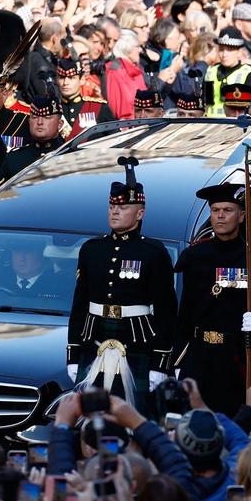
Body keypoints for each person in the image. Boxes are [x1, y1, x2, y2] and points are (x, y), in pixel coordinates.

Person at [68, 157, 178, 407]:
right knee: (89, 417)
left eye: (123, 207)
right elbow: (80, 303)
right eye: (111, 206)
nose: (115, 211)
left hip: (137, 339)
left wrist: (160, 363)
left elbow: (166, 310)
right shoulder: (92, 249)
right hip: (94, 336)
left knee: (134, 415)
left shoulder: (153, 252)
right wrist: (73, 354)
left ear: (140, 212)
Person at [173, 183, 251, 415]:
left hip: (236, 359)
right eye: (216, 211)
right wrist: (177, 360)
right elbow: (185, 313)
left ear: (242, 216)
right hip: (199, 358)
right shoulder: (194, 256)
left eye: (228, 210)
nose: (221, 216)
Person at [0, 96, 66, 182]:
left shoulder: (70, 155)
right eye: (35, 117)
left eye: (47, 117)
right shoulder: (14, 158)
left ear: (60, 124)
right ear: (29, 121)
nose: (39, 122)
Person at [203, 28, 251, 116]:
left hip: (236, 126)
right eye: (221, 49)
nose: (224, 54)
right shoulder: (211, 72)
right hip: (211, 126)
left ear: (240, 52)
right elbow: (207, 103)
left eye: (230, 49)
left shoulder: (249, 73)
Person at [57, 57, 115, 139]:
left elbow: (115, 138)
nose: (65, 83)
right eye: (62, 78)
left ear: (82, 80)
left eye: (71, 78)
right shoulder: (54, 111)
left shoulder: (98, 107)